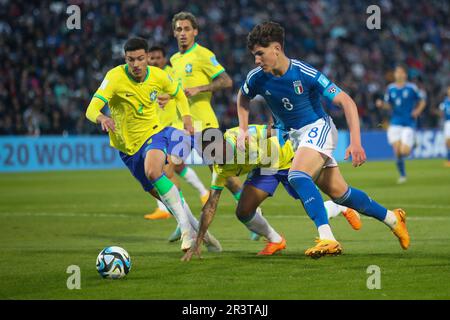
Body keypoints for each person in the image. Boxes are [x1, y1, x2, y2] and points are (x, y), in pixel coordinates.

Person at [236, 22, 410, 258]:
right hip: (295, 138)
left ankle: (327, 238)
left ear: (276, 49)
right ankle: (393, 218)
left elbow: (346, 101)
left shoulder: (304, 73)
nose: (256, 60)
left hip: (319, 128)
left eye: (260, 54)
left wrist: (356, 142)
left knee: (297, 176)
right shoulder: (257, 77)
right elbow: (242, 98)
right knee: (342, 194)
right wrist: (244, 129)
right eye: (254, 55)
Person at [85, 37, 221, 254]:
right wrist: (102, 118)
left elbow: (178, 93)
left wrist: (187, 117)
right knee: (161, 193)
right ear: (125, 59)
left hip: (154, 133)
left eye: (141, 59)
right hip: (127, 149)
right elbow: (91, 109)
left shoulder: (158, 75)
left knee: (153, 171)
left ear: (147, 57)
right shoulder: (114, 77)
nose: (137, 64)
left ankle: (186, 231)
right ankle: (196, 228)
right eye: (131, 60)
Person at [181, 125, 362, 261]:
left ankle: (338, 206)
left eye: (212, 153)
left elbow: (273, 129)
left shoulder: (241, 137)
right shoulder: (220, 168)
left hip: (286, 158)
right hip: (264, 167)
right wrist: (198, 241)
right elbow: (211, 205)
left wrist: (303, 141)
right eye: (207, 155)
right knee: (243, 211)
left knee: (309, 203)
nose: (211, 160)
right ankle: (275, 240)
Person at [168, 11, 261, 241]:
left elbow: (226, 81)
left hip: (205, 125)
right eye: (178, 30)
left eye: (187, 29)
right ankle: (185, 219)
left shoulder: (202, 55)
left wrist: (200, 88)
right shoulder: (173, 60)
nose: (182, 34)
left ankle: (255, 217)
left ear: (195, 31)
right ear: (174, 33)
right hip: (182, 126)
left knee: (224, 176)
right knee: (168, 169)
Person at [144, 45, 210, 223]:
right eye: (152, 58)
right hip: (156, 129)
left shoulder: (171, 74)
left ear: (165, 59)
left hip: (175, 127)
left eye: (158, 58)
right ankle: (200, 196)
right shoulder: (147, 78)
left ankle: (178, 213)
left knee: (164, 170)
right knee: (173, 168)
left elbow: (180, 92)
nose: (155, 61)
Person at [376, 65, 426, 183]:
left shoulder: (412, 88)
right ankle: (403, 175)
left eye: (400, 72)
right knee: (397, 152)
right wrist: (381, 104)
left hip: (408, 123)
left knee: (405, 152)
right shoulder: (390, 88)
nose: (398, 74)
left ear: (405, 75)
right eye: (396, 72)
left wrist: (417, 111)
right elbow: (388, 104)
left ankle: (413, 142)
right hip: (395, 123)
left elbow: (422, 101)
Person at [438, 85, 450, 167]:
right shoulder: (445, 101)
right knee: (447, 142)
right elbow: (441, 112)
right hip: (447, 123)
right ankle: (449, 160)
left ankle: (448, 160)